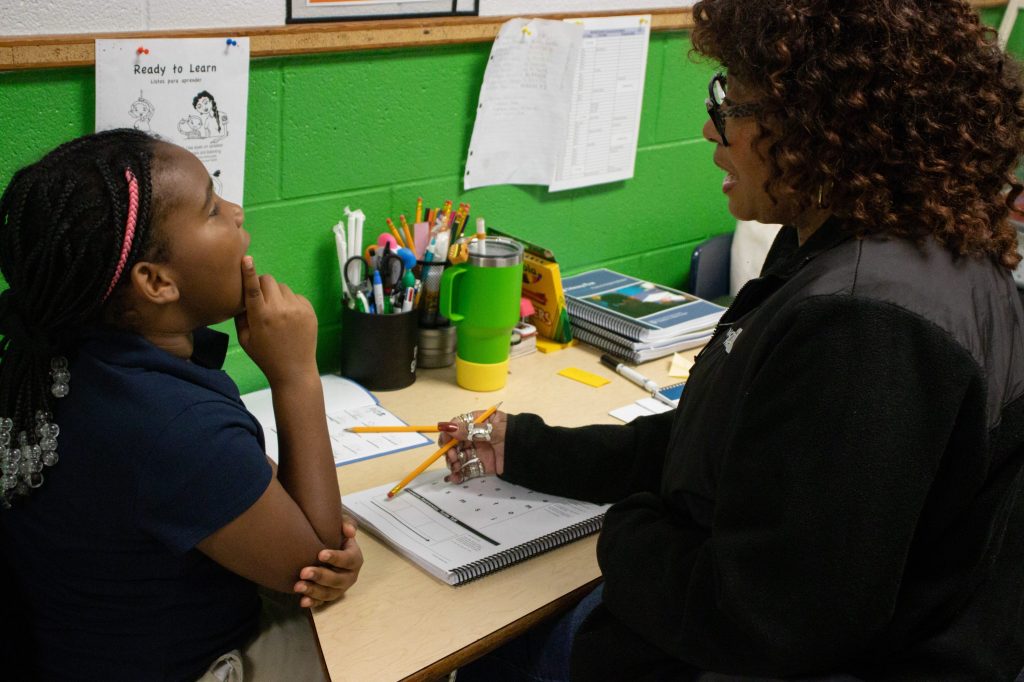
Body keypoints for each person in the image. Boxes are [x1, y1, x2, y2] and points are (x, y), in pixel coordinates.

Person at [442, 1, 1024, 680]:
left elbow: (770, 624)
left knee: (496, 657)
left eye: (732, 104)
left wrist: (625, 533)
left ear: (817, 128)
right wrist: (530, 448)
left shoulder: (865, 326)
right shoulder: (894, 246)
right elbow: (720, 445)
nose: (710, 130)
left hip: (745, 658)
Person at [0, 129, 363, 680]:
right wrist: (295, 376)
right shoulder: (171, 426)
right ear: (155, 281)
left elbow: (227, 484)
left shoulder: (60, 356)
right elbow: (312, 567)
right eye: (212, 210)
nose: (238, 213)